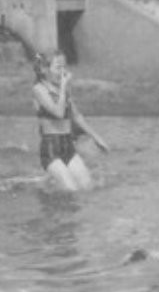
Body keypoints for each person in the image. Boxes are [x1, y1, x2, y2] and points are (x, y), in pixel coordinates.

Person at [31, 50, 109, 191]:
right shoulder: (39, 89)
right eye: (58, 68)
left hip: (68, 146)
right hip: (50, 150)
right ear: (44, 70)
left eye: (63, 67)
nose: (62, 72)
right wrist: (63, 86)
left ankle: (47, 182)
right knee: (71, 190)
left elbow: (77, 116)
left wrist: (96, 137)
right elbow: (58, 112)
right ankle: (48, 187)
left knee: (87, 187)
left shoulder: (62, 90)